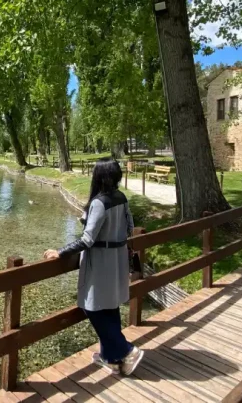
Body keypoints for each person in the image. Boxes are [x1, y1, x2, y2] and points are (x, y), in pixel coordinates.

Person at [43, 158, 144, 376]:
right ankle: (112, 359)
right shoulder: (121, 197)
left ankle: (127, 350)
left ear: (99, 176)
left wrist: (60, 252)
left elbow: (87, 240)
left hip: (100, 261)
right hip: (117, 258)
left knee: (91, 306)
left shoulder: (99, 202)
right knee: (109, 306)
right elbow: (130, 227)